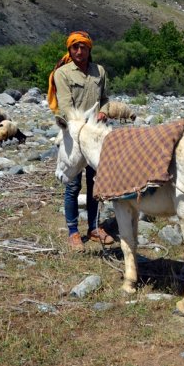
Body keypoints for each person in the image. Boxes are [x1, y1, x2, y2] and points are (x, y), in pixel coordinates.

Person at [48, 30, 115, 252]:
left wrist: (104, 111)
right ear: (70, 50)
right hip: (74, 133)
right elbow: (66, 106)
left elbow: (105, 99)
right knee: (73, 184)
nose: (79, 51)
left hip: (96, 134)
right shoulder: (63, 73)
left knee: (96, 182)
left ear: (89, 49)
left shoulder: (100, 71)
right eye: (75, 47)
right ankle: (73, 231)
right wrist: (81, 126)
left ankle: (94, 228)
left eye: (83, 47)